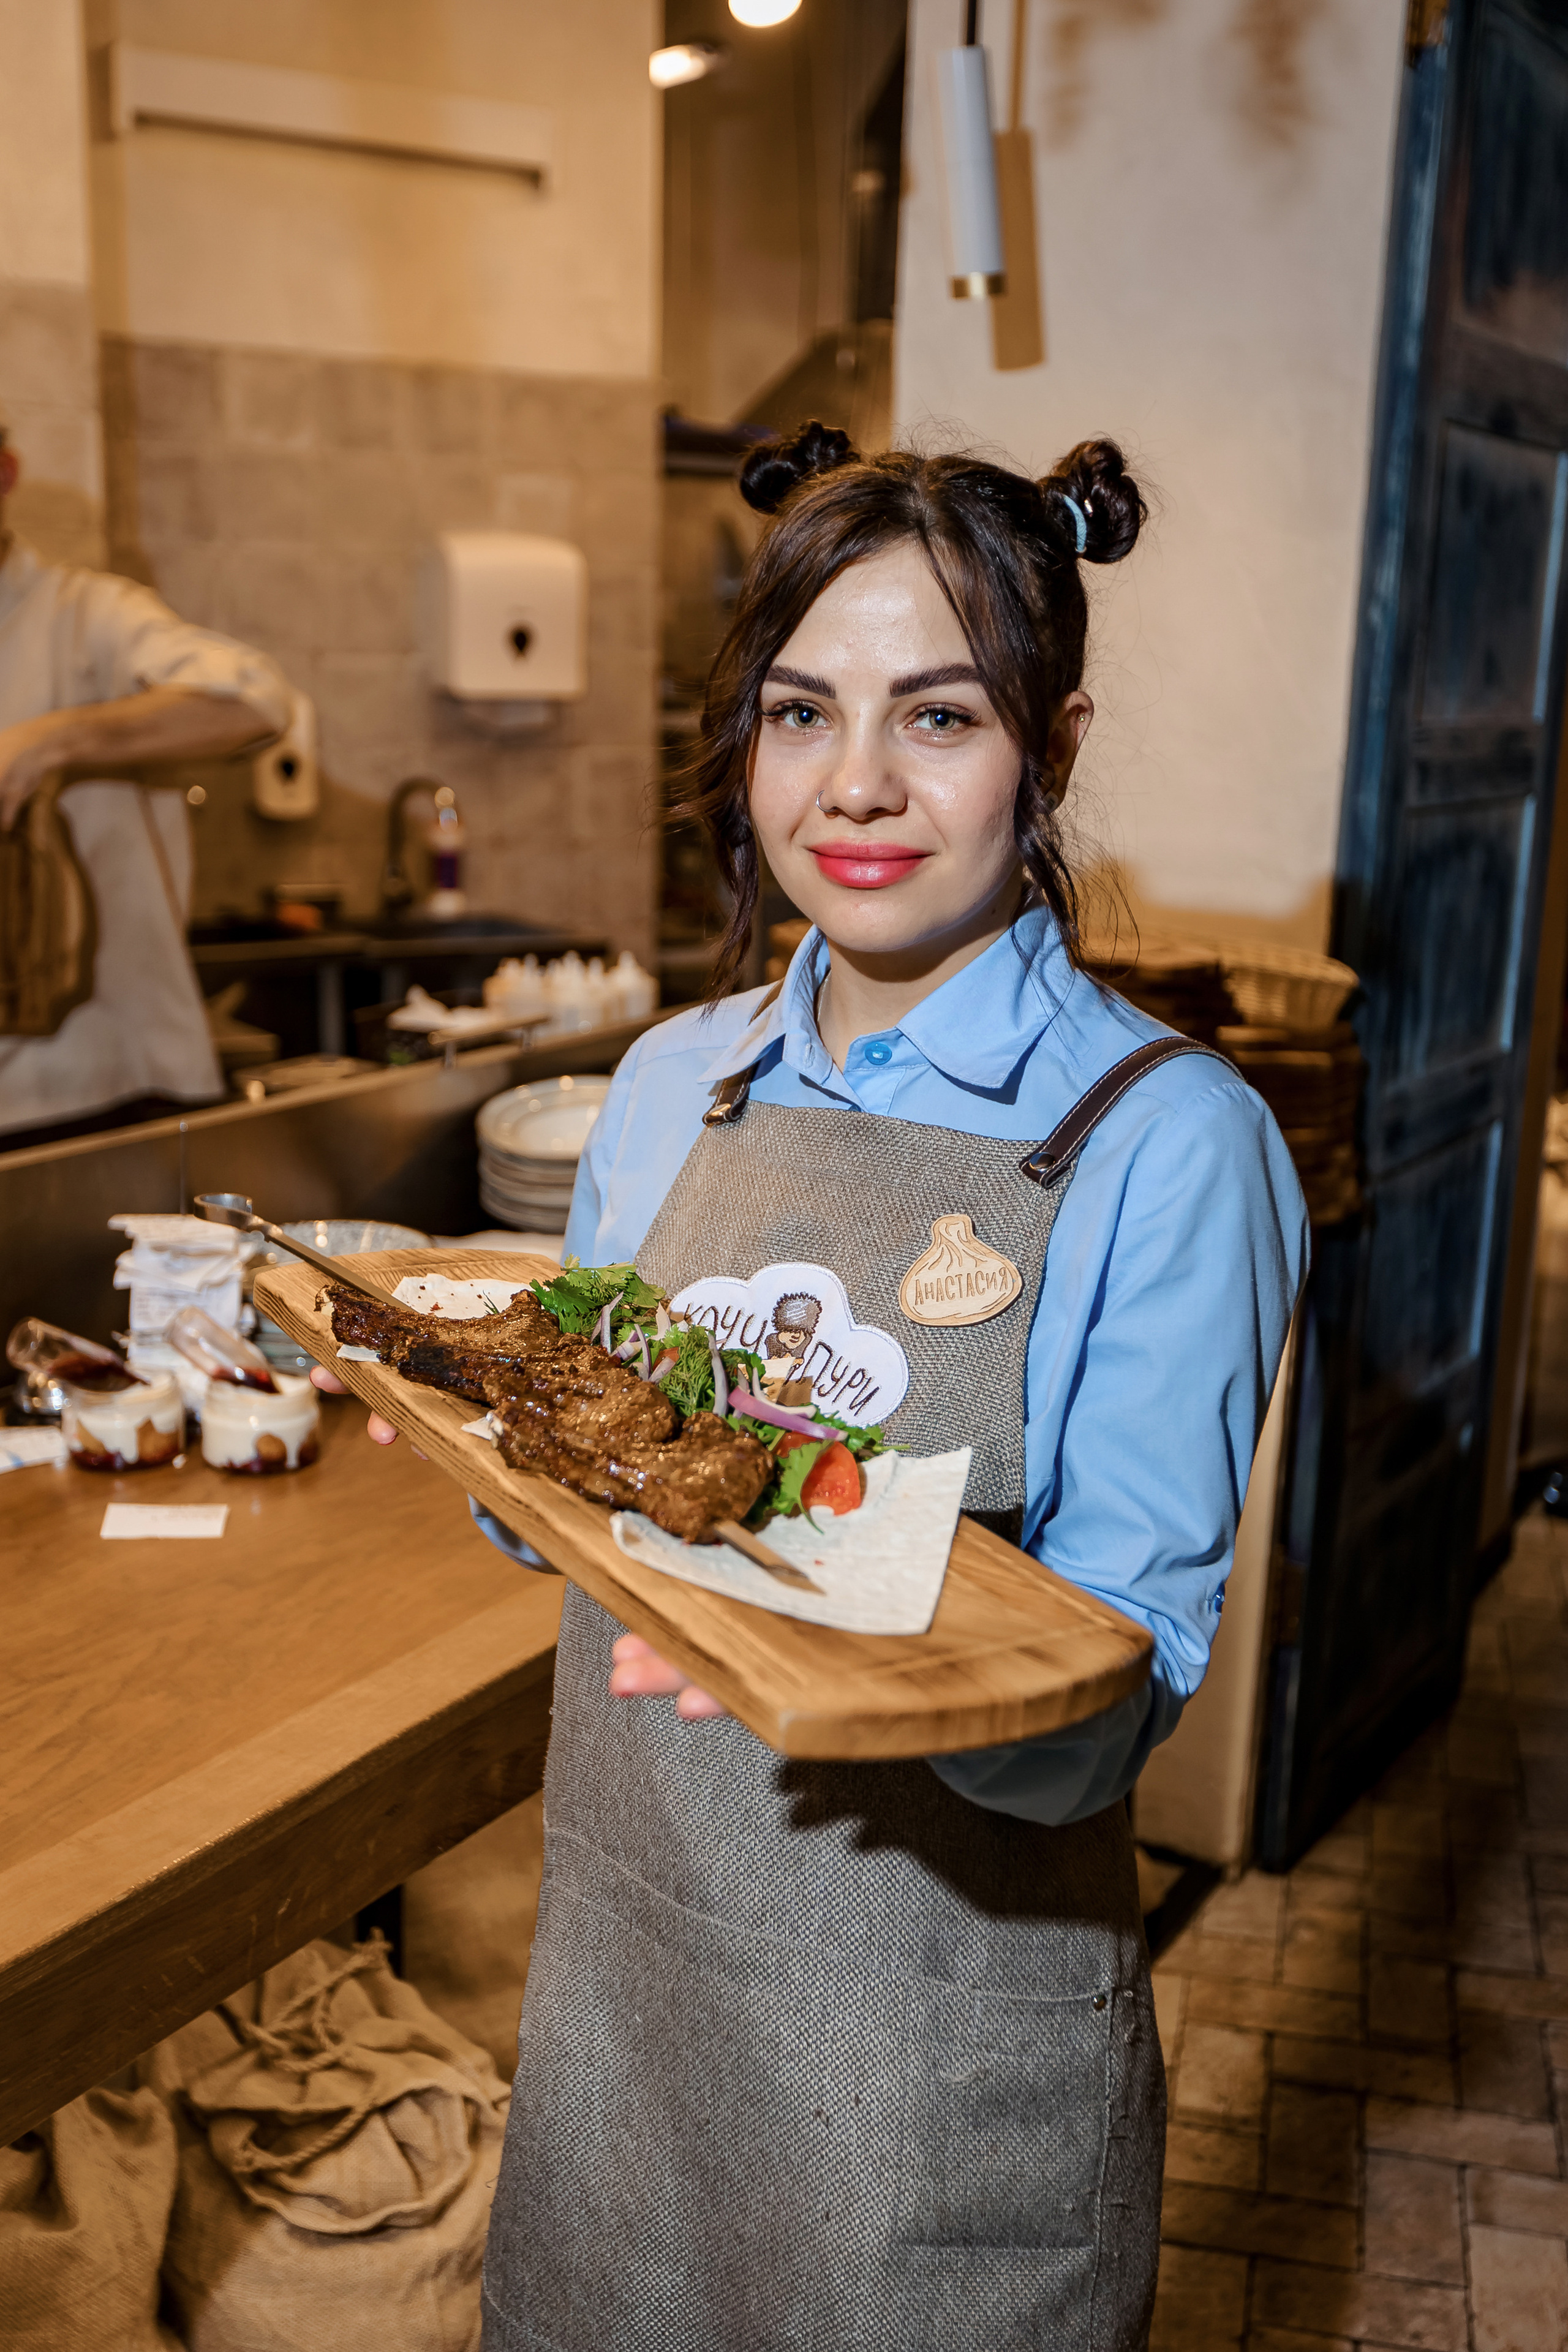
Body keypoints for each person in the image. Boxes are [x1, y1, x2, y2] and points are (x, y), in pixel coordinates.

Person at [319, 421, 1308, 2348]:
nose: (852, 784)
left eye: (937, 717)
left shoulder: (1165, 1142)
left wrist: (829, 1651)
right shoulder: (675, 1082)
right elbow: (585, 1521)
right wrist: (484, 1433)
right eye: (799, 712)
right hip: (630, 1978)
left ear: (1055, 745)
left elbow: (1122, 1686)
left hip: (930, 2046)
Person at [0, 423, 292, 1137]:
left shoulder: (83, 616)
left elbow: (257, 700)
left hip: (109, 1087)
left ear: (5, 473)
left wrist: (50, 740)